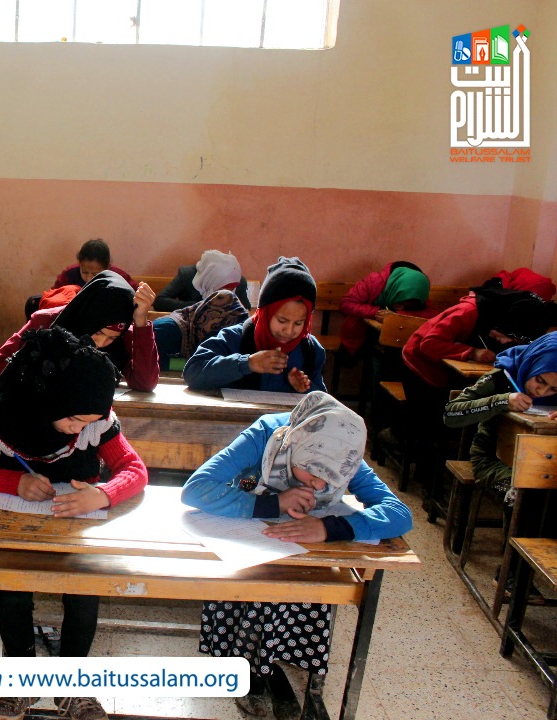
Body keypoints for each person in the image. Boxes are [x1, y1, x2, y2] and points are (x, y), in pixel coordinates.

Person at [0, 327, 148, 720]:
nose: (80, 429)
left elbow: (134, 469)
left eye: (88, 421)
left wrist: (103, 494)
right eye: (73, 420)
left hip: (76, 528)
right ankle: (19, 677)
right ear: (48, 400)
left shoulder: (94, 417)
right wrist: (14, 481)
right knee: (13, 586)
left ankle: (72, 685)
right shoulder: (0, 420)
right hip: (20, 528)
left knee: (85, 588)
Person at [180, 392, 412, 718]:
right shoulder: (268, 434)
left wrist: (331, 529)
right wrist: (274, 503)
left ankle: (274, 667)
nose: (319, 485)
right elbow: (196, 489)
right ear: (295, 447)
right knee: (255, 584)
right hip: (246, 544)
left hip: (300, 554)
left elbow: (400, 515)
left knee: (303, 585)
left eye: (330, 479)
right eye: (311, 473)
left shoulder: (342, 451)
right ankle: (249, 669)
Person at [0, 270, 159, 392]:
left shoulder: (124, 335)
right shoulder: (46, 322)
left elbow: (145, 383)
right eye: (97, 333)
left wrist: (141, 322)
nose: (99, 344)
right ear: (86, 316)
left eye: (111, 338)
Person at [444, 332, 557, 510]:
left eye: (553, 389)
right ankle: (511, 538)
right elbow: (451, 414)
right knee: (526, 495)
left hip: (547, 465)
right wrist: (502, 401)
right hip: (492, 459)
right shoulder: (502, 376)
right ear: (532, 364)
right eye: (539, 380)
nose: (541, 392)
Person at [183, 257, 326, 394]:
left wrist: (305, 388)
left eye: (298, 323)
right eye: (282, 321)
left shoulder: (311, 351)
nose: (288, 331)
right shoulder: (235, 338)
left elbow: (324, 401)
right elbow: (192, 372)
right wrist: (248, 363)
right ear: (265, 313)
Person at [339, 261, 435, 356]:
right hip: (361, 334)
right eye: (399, 302)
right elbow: (346, 303)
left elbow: (431, 315)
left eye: (407, 306)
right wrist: (377, 312)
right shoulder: (375, 282)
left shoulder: (418, 289)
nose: (401, 307)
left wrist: (395, 315)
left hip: (397, 340)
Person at [23, 239, 137, 318]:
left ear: (107, 268)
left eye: (95, 274)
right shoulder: (69, 275)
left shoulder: (117, 277)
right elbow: (55, 298)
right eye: (85, 272)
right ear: (80, 264)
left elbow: (136, 294)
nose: (89, 278)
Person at [151, 249, 251, 312]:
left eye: (232, 288)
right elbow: (160, 301)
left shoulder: (239, 282)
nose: (229, 291)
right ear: (213, 279)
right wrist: (199, 306)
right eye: (225, 287)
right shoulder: (187, 276)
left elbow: (245, 309)